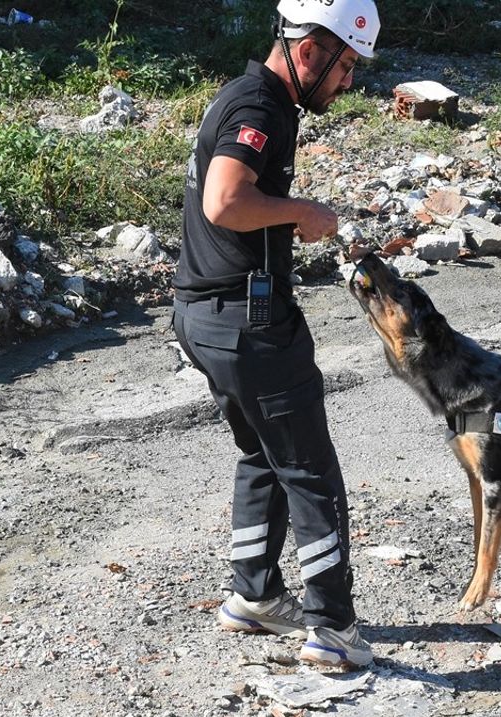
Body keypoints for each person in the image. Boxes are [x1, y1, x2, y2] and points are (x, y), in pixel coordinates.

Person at [171, 0, 380, 669]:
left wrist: (284, 219)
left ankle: (255, 596)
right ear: (310, 48)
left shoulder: (251, 97)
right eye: (344, 65)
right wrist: (303, 212)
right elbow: (225, 201)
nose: (346, 83)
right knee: (310, 470)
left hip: (205, 314)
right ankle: (333, 628)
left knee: (262, 454)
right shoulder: (259, 108)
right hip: (247, 323)